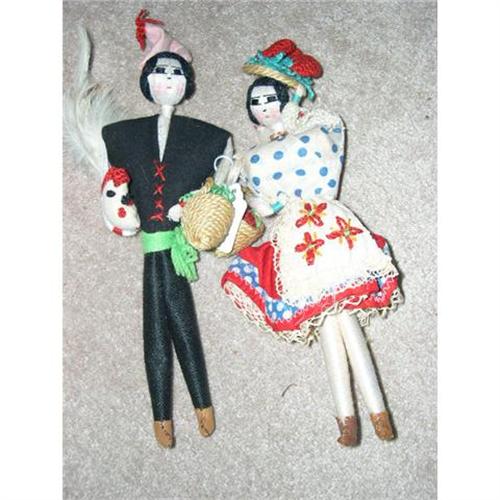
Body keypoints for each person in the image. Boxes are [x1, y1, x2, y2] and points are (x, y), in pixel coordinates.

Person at [222, 40, 402, 446]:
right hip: (293, 234)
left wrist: (287, 124)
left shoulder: (314, 127)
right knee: (328, 323)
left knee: (344, 319)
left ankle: (377, 411)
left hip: (326, 223)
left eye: (270, 98)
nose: (264, 107)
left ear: (287, 97)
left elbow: (325, 145)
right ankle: (348, 417)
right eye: (256, 102)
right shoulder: (256, 153)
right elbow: (266, 205)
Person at [100, 10, 233, 448]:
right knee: (163, 320)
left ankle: (193, 407)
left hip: (173, 242)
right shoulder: (121, 136)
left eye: (177, 73)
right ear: (146, 81)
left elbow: (220, 179)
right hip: (156, 242)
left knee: (167, 318)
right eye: (160, 72)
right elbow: (114, 185)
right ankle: (173, 412)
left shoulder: (207, 137)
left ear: (187, 82)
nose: (169, 79)